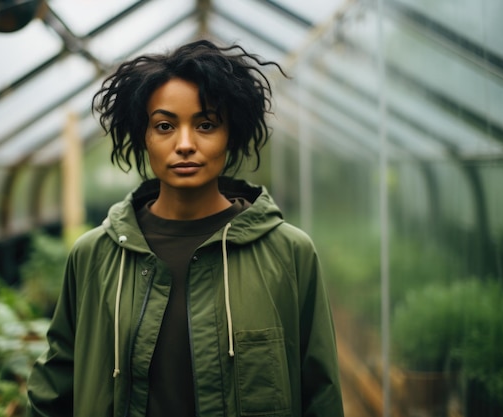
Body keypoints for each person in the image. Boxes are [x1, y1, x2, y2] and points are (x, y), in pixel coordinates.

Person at [26, 39, 344, 417]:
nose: (185, 144)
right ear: (144, 137)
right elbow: (56, 387)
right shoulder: (95, 255)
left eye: (206, 124)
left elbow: (319, 393)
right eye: (164, 126)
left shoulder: (289, 253)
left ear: (230, 135)